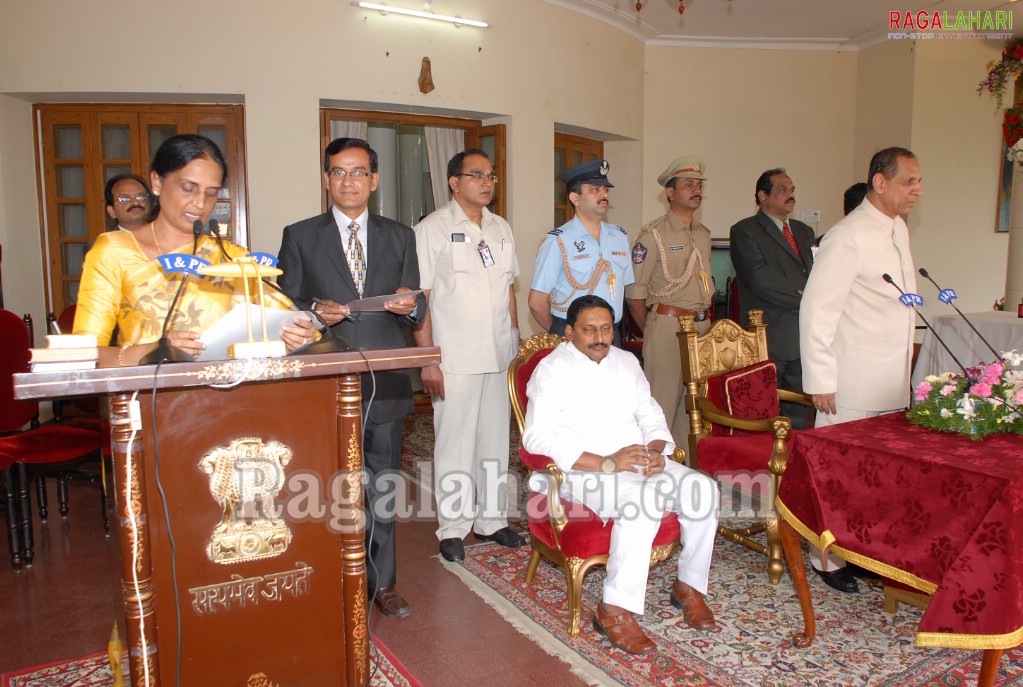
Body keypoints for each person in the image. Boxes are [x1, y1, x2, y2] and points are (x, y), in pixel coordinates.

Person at [277, 137, 425, 620]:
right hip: (327, 377)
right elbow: (286, 303)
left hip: (385, 376)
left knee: (382, 481)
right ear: (326, 179)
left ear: (374, 180)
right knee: (329, 483)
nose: (348, 181)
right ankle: (335, 575)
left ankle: (384, 583)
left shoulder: (401, 235)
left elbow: (414, 304)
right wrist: (316, 311)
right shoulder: (299, 235)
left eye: (358, 172)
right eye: (338, 172)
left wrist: (412, 304)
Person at [522, 295, 719, 655]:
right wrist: (606, 461)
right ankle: (613, 608)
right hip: (585, 470)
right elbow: (536, 436)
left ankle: (689, 586)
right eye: (589, 329)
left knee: (702, 488)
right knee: (641, 501)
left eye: (606, 328)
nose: (599, 337)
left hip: (639, 460)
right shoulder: (552, 369)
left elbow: (650, 414)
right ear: (569, 332)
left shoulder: (627, 361)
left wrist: (658, 452)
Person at [74, 134, 314, 365]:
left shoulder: (233, 258)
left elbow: (291, 322)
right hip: (147, 397)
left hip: (230, 397)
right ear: (157, 182)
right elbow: (83, 355)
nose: (200, 203)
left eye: (211, 193)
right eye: (188, 188)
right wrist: (154, 350)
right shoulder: (113, 251)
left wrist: (300, 337)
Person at [799, 147, 922, 593]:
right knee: (838, 477)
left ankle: (864, 550)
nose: (918, 190)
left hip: (888, 380)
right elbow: (817, 311)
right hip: (847, 382)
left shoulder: (898, 229)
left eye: (918, 181)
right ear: (881, 182)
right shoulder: (846, 236)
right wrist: (820, 381)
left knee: (877, 479)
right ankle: (825, 558)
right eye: (910, 181)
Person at [413, 149, 524, 563]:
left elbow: (508, 288)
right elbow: (421, 298)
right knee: (455, 443)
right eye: (476, 175)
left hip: (498, 354)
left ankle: (492, 520)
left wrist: (514, 340)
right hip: (455, 356)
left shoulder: (500, 227)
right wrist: (428, 358)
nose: (486, 182)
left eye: (491, 175)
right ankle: (454, 527)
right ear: (453, 182)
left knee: (495, 441)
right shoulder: (433, 229)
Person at [625, 156, 713, 444]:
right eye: (688, 184)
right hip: (668, 327)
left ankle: (686, 469)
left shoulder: (703, 235)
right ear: (670, 192)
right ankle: (655, 470)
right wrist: (654, 325)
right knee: (661, 405)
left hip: (702, 329)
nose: (695, 190)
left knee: (695, 408)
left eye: (698, 185)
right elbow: (635, 294)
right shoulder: (653, 236)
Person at [729, 168, 815, 430]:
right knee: (765, 411)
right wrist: (808, 296)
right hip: (769, 335)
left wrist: (814, 297)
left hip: (804, 334)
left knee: (799, 409)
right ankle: (766, 463)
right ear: (762, 195)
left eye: (792, 190)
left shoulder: (804, 231)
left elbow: (814, 270)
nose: (790, 195)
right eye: (782, 190)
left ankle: (795, 462)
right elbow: (759, 277)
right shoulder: (746, 230)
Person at [529, 160, 633, 340]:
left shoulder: (620, 237)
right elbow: (536, 302)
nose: (603, 194)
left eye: (605, 190)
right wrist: (561, 333)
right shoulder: (558, 241)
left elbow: (627, 289)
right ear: (575, 198)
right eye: (595, 189)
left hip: (611, 334)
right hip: (572, 334)